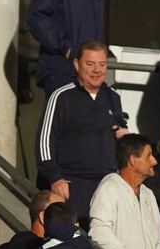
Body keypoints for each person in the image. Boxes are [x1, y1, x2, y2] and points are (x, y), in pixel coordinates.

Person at [37, 42, 125, 221]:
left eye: (102, 64)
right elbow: (44, 141)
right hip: (72, 185)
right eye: (90, 64)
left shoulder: (113, 97)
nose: (97, 70)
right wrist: (55, 178)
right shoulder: (61, 97)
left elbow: (120, 131)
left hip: (107, 185)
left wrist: (123, 137)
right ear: (77, 64)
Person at [89, 134, 160, 249]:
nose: (154, 161)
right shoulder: (109, 187)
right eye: (149, 156)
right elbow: (99, 233)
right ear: (133, 160)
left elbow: (158, 239)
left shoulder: (148, 194)